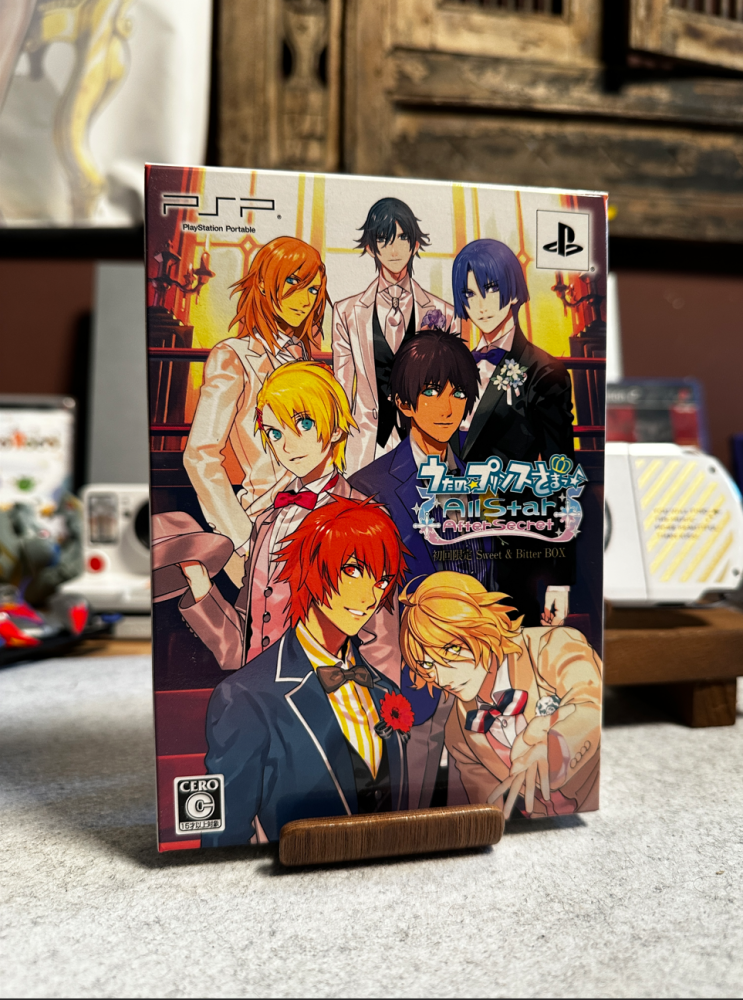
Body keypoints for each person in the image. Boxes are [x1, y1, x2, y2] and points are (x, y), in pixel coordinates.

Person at [201, 496, 412, 846]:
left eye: (381, 580)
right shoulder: (246, 697)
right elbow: (223, 836)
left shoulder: (385, 690)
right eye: (353, 570)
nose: (368, 598)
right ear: (310, 566)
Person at [349, 329, 483, 808]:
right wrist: (397, 671)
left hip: (477, 669)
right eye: (431, 391)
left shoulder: (482, 476)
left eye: (458, 393)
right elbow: (366, 600)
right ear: (403, 402)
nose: (447, 407)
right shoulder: (369, 487)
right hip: (411, 675)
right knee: (411, 803)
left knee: (478, 797)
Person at [177, 361, 367, 670]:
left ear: (335, 428)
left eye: (303, 423)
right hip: (260, 688)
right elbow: (242, 642)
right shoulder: (268, 521)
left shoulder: (360, 515)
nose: (287, 446)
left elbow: (377, 638)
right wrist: (199, 582)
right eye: (275, 433)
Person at [399, 572, 602, 819]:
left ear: (482, 626)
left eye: (451, 651)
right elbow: (487, 805)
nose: (441, 679)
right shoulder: (458, 731)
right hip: (537, 826)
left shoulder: (551, 646)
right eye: (427, 665)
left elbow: (590, 702)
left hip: (594, 808)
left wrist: (555, 750)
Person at [183, 237, 327, 585]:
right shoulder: (234, 357)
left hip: (319, 522)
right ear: (263, 282)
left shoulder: (307, 360)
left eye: (313, 290)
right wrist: (242, 540)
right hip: (262, 523)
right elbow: (200, 455)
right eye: (293, 282)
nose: (304, 300)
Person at [452, 238, 576, 625]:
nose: (481, 305)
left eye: (490, 288)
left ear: (513, 290)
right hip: (451, 540)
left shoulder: (543, 370)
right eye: (469, 294)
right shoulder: (455, 366)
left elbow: (561, 475)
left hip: (510, 545)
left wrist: (559, 580)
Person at [332, 196, 458, 475]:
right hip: (366, 446)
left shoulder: (445, 314)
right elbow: (342, 387)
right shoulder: (346, 312)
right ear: (370, 247)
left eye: (403, 237)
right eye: (384, 239)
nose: (394, 248)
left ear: (415, 244)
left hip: (425, 445)